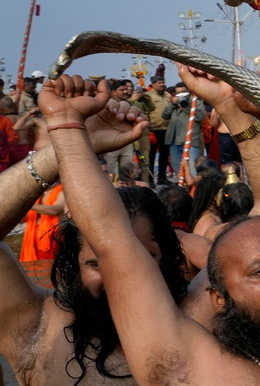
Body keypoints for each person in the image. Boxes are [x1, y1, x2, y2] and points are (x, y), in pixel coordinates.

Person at [38, 74, 260, 385]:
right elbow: (110, 238)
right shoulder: (191, 368)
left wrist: (255, 111)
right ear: (219, 299)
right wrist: (66, 125)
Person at [0, 96, 188, 385]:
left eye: (143, 257)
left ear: (168, 255)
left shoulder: (202, 320)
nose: (121, 275)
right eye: (97, 262)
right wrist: (71, 144)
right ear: (73, 261)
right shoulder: (39, 329)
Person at [162, 82, 206, 181]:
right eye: (178, 93)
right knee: (177, 168)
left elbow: (201, 117)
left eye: (183, 92)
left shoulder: (196, 102)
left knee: (192, 169)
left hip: (190, 141)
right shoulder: (174, 104)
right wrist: (173, 104)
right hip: (174, 141)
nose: (181, 94)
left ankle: (194, 191)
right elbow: (164, 115)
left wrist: (185, 107)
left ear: (188, 92)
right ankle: (182, 188)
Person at [138, 75, 171, 184]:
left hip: (166, 129)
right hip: (153, 129)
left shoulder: (167, 96)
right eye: (159, 83)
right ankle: (151, 178)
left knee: (164, 155)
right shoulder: (148, 96)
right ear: (153, 85)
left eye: (162, 82)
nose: (162, 85)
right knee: (151, 155)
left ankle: (162, 177)